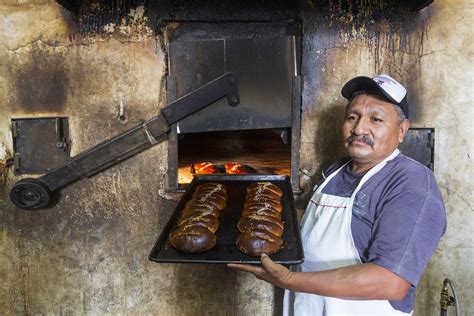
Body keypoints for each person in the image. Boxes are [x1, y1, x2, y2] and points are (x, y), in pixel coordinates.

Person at [228, 74, 447, 315]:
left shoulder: (410, 183)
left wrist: (288, 279)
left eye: (376, 119)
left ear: (402, 130)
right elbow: (315, 223)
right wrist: (253, 214)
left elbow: (390, 281)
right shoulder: (335, 169)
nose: (359, 128)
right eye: (352, 117)